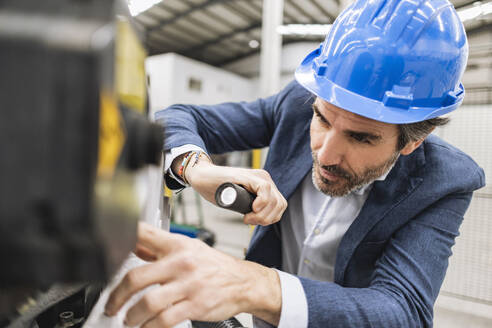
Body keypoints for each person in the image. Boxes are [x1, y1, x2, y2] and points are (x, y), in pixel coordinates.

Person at [104, 0, 485, 327]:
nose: (326, 153)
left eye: (361, 137)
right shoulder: (295, 103)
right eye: (323, 119)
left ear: (413, 141)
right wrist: (197, 169)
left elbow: (403, 311)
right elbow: (178, 117)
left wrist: (253, 284)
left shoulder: (443, 181)